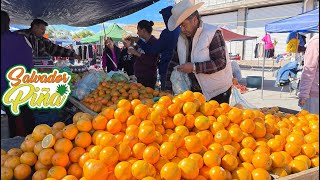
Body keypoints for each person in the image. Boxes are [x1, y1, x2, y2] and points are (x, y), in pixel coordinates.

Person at [166, 0, 233, 104]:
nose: (182, 29)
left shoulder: (212, 33)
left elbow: (220, 62)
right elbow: (173, 63)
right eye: (180, 26)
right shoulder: (181, 38)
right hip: (194, 92)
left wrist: (194, 67)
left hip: (217, 92)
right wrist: (168, 88)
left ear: (194, 20)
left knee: (218, 119)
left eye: (184, 25)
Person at [1, 10, 35, 137]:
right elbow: (30, 60)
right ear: (8, 22)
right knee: (26, 116)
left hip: (4, 88)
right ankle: (32, 142)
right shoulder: (22, 39)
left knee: (11, 119)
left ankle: (16, 144)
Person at [135, 6, 180, 90]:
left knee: (167, 95)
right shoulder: (179, 30)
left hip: (167, 68)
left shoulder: (168, 32)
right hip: (178, 67)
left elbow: (153, 50)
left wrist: (139, 42)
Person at [16, 19, 81, 59]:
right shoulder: (21, 34)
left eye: (44, 30)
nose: (44, 32)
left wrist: (73, 54)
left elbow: (56, 49)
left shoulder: (44, 40)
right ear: (35, 27)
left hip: (38, 73)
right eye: (42, 29)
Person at [128, 20, 159, 88]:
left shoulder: (154, 42)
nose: (137, 33)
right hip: (140, 77)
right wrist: (132, 46)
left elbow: (152, 61)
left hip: (148, 78)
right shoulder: (141, 43)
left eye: (138, 30)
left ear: (144, 30)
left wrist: (136, 53)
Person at [298, 28, 319, 115]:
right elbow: (309, 69)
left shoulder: (315, 43)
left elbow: (309, 69)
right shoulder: (316, 43)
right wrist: (304, 93)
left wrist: (303, 94)